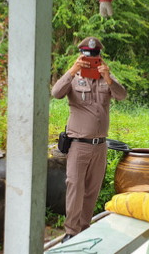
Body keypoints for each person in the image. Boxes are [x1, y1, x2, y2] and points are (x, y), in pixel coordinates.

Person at [51, 37, 127, 241]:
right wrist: (72, 70)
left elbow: (121, 95)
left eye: (94, 56)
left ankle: (84, 228)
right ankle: (71, 231)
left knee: (92, 189)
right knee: (75, 186)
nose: (91, 60)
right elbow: (56, 93)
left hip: (100, 146)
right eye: (86, 56)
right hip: (79, 145)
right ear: (80, 56)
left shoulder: (106, 78)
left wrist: (109, 77)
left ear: (100, 57)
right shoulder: (73, 78)